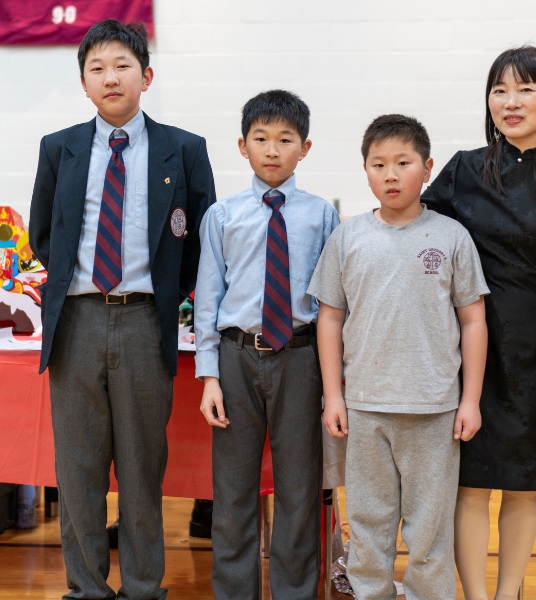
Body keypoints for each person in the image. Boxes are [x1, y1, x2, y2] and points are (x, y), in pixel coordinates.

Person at [28, 19, 216, 600]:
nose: (110, 77)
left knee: (141, 469)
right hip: (77, 322)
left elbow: (200, 244)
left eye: (122, 66)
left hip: (143, 321)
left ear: (147, 76)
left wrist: (164, 298)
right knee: (78, 469)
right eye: (97, 69)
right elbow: (42, 236)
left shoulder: (183, 149)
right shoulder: (58, 148)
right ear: (83, 83)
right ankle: (85, 588)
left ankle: (143, 588)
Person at [422, 46, 536, 600]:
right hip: (467, 344)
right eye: (499, 90)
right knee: (470, 482)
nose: (510, 101)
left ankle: (508, 595)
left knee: (525, 485)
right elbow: (418, 238)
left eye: (525, 89)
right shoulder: (464, 169)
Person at [309, 114, 489, 599]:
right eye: (379, 164)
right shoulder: (347, 238)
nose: (391, 174)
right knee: (369, 524)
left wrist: (469, 399)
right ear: (365, 170)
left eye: (403, 163)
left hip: (435, 410)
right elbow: (329, 319)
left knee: (429, 531)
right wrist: (333, 395)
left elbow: (473, 321)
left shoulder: (452, 237)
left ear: (427, 167)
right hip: (366, 407)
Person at [195, 89, 339, 599]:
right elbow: (209, 299)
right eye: (261, 139)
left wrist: (333, 380)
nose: (273, 150)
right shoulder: (223, 215)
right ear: (242, 145)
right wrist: (209, 376)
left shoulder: (322, 217)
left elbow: (332, 306)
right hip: (235, 358)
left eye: (285, 139)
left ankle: (296, 592)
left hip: (300, 360)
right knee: (233, 493)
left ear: (306, 147)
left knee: (299, 490)